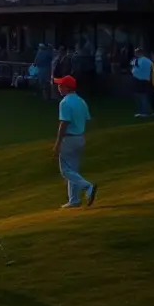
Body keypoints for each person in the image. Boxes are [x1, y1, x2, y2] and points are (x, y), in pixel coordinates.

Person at [53, 76, 98, 209]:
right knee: (73, 170)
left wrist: (57, 143)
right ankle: (74, 200)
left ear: (67, 88)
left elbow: (64, 123)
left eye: (61, 85)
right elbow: (88, 120)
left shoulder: (65, 103)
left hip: (69, 139)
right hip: (80, 137)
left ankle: (87, 186)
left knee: (66, 171)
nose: (58, 87)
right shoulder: (81, 101)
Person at [130, 48, 154, 117]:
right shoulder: (139, 60)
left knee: (142, 96)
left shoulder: (143, 60)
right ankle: (142, 111)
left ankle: (144, 112)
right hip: (139, 80)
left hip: (141, 80)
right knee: (139, 96)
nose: (135, 54)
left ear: (139, 53)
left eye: (136, 53)